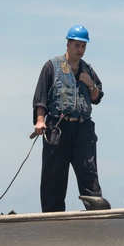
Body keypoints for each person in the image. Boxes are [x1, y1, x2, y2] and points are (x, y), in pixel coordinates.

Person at [32, 25, 104, 212]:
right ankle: (52, 214)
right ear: (68, 44)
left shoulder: (88, 69)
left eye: (83, 47)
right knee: (54, 173)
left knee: (88, 171)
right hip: (58, 127)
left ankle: (96, 210)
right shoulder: (52, 66)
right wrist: (40, 120)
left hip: (83, 128)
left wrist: (90, 85)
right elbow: (41, 97)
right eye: (77, 46)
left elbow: (96, 97)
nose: (80, 50)